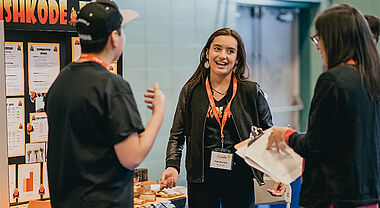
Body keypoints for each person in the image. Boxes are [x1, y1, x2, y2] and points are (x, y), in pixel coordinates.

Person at [45, 1, 165, 207]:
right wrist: (158, 114)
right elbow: (132, 156)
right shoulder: (112, 86)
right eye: (122, 30)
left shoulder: (61, 81)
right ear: (114, 38)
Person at [267, 4, 380, 208]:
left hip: (333, 196)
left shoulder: (333, 80)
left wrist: (285, 135)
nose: (318, 46)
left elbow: (314, 146)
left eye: (320, 38)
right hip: (366, 194)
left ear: (335, 38)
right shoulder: (371, 78)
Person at [159, 28, 281, 208]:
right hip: (201, 181)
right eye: (217, 49)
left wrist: (279, 171)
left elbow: (269, 136)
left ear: (237, 59)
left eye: (230, 51)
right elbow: (177, 135)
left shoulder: (250, 91)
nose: (222, 55)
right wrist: (172, 165)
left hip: (240, 178)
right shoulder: (191, 91)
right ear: (207, 53)